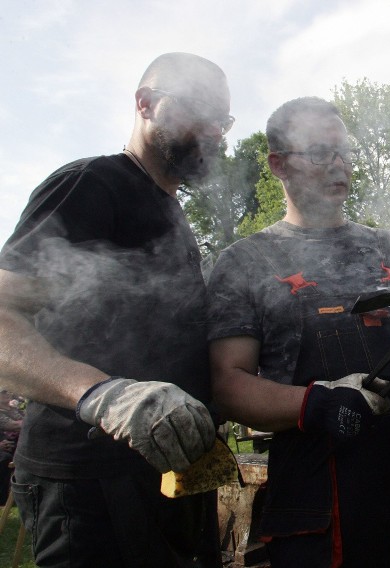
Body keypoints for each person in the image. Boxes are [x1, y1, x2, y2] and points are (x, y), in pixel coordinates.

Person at [206, 97, 390, 567]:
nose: (339, 165)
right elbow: (226, 383)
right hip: (324, 502)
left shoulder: (389, 246)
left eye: (344, 152)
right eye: (321, 153)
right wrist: (314, 403)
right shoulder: (247, 262)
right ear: (279, 164)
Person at [0, 53, 231, 567]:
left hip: (170, 476)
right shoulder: (90, 183)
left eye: (225, 119)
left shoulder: (171, 211)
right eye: (200, 108)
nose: (215, 129)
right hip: (88, 484)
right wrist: (100, 394)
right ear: (145, 103)